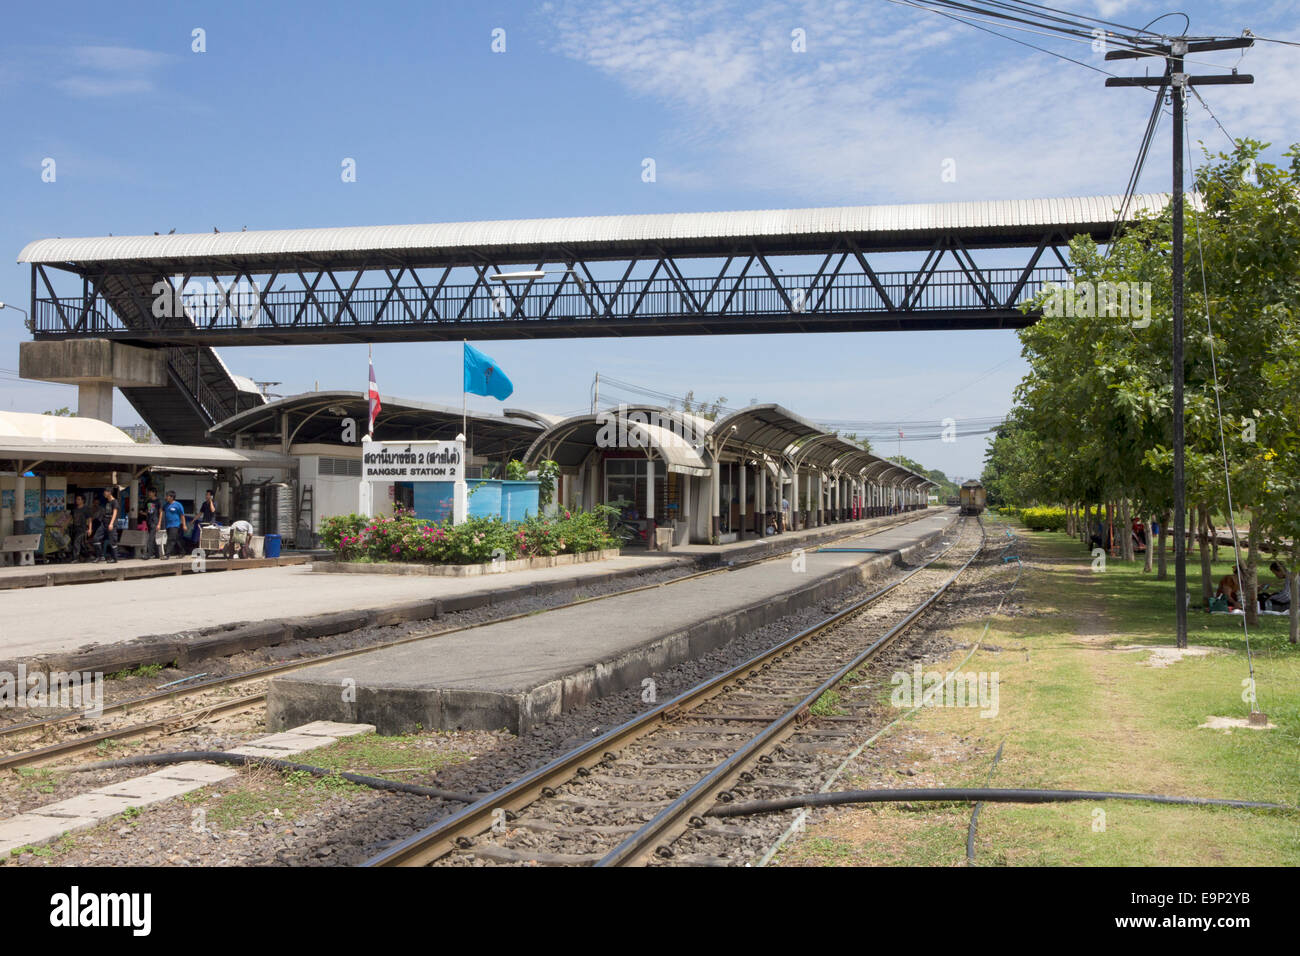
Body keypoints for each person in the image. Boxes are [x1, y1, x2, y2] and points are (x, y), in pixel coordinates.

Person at [94, 487, 121, 563]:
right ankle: (100, 556)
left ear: (109, 492)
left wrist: (111, 524)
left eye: (105, 492)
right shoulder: (107, 502)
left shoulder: (114, 502)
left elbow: (115, 513)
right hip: (104, 523)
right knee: (96, 538)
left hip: (111, 523)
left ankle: (115, 558)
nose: (104, 493)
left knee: (113, 541)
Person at [162, 491, 187, 558]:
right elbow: (161, 511)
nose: (166, 497)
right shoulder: (166, 505)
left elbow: (182, 515)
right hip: (168, 525)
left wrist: (184, 525)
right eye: (166, 496)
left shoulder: (178, 505)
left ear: (172, 497)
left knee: (171, 539)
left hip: (175, 525)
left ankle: (167, 555)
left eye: (168, 496)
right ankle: (182, 552)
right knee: (177, 539)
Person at [69, 494, 90, 562]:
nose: (77, 501)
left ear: (83, 500)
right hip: (75, 529)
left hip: (82, 529)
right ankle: (88, 556)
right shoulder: (74, 509)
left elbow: (89, 519)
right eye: (76, 499)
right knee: (81, 544)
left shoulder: (86, 509)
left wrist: (90, 529)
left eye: (79, 499)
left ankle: (76, 558)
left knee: (76, 542)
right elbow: (71, 518)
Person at [143, 487, 162, 559]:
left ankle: (149, 554)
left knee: (150, 538)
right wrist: (143, 513)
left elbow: (161, 513)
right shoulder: (148, 501)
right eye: (149, 492)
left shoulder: (158, 501)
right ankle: (157, 554)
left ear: (154, 493)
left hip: (155, 521)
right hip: (149, 521)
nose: (149, 493)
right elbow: (148, 512)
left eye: (150, 492)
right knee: (153, 538)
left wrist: (159, 523)